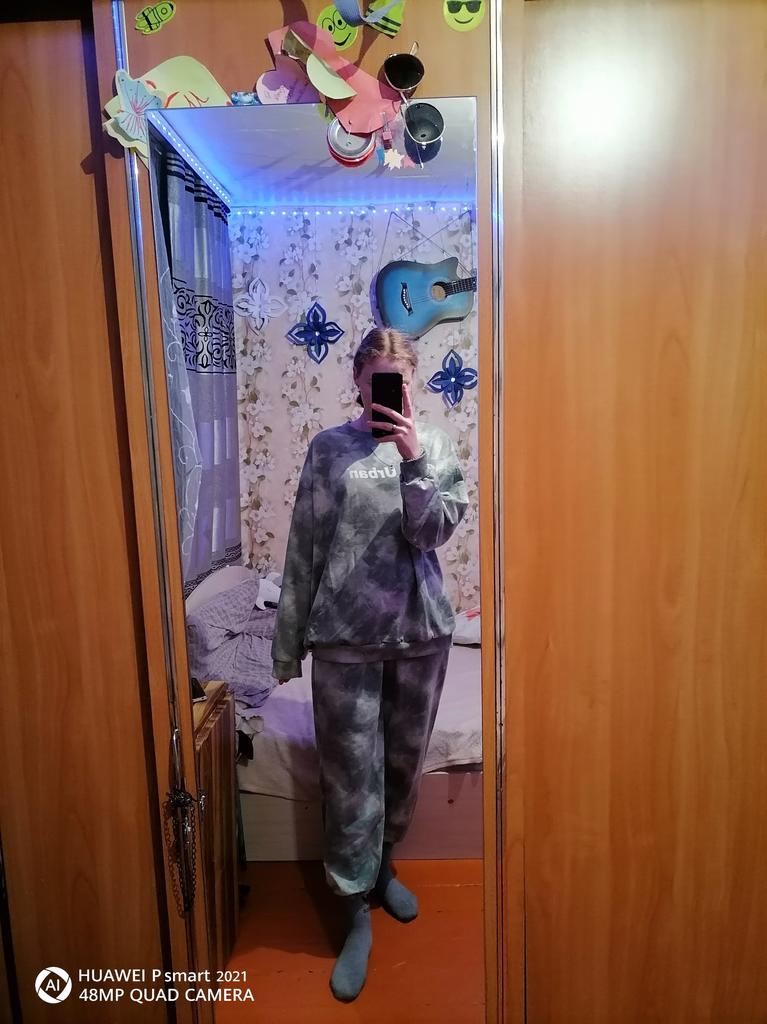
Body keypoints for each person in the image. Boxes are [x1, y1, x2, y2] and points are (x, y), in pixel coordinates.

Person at [270, 327, 469, 1002]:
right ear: (358, 380)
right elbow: (304, 546)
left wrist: (413, 458)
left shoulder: (434, 443)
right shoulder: (329, 449)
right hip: (344, 636)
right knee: (350, 777)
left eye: (400, 380)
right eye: (378, 378)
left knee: (402, 767)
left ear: (412, 382)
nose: (389, 389)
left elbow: (433, 532)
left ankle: (384, 867)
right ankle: (353, 906)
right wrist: (286, 641)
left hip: (420, 632)